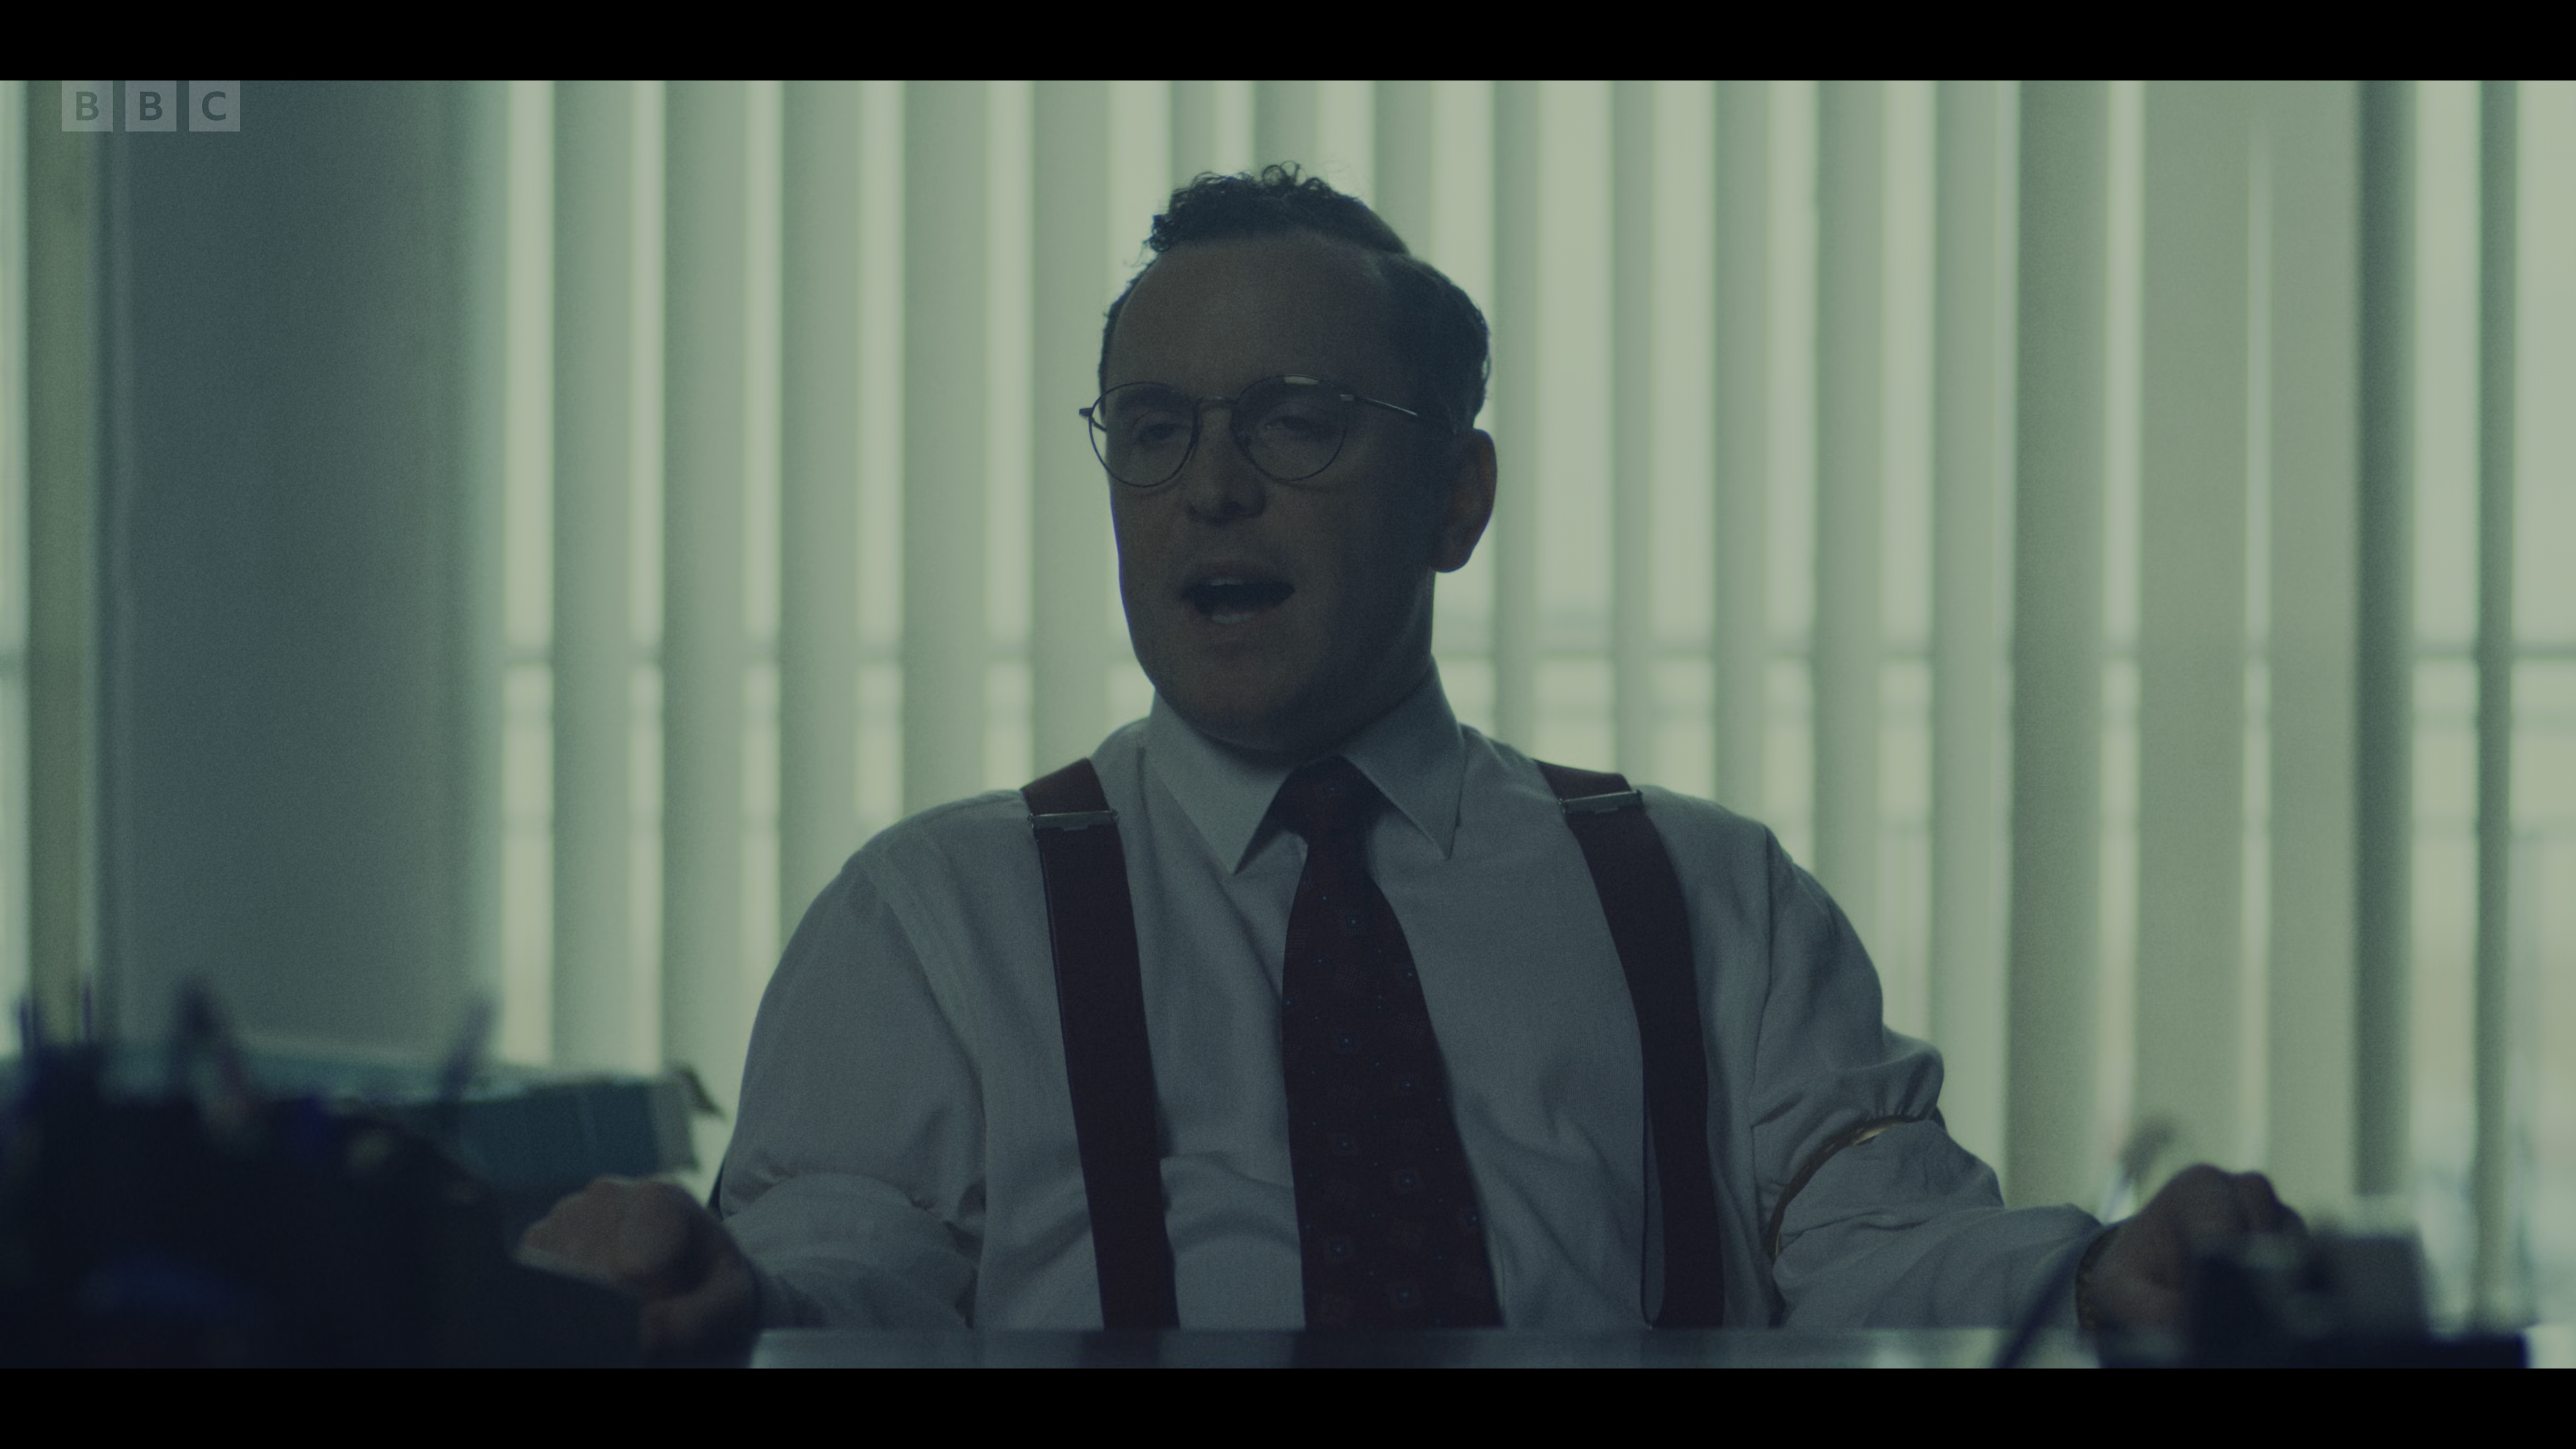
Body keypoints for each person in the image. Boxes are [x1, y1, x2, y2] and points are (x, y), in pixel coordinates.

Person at [523, 167, 2299, 1356]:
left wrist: (2100, 1277)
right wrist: (724, 1290)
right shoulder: (931, 913)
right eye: (1155, 429)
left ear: (1458, 497)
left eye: (1296, 422)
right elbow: (852, 1259)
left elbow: (1874, 1251)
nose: (1213, 489)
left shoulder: (1708, 892)